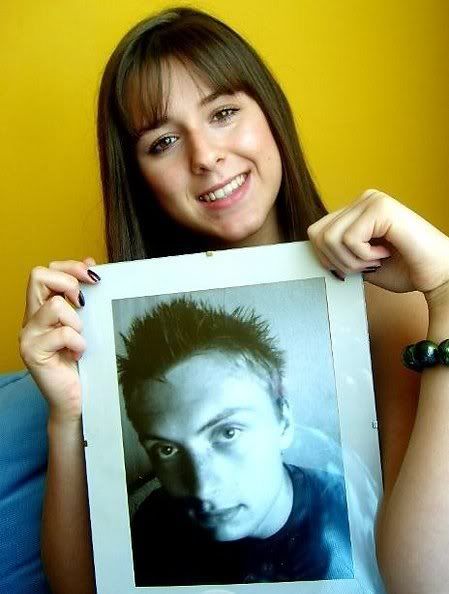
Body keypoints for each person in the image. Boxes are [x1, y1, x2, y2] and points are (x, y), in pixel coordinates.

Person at [18, 6, 449, 594]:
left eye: (223, 113)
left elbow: (426, 579)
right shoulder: (106, 339)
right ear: (138, 176)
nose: (204, 156)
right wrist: (68, 416)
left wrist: (446, 292)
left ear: (269, 114)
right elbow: (82, 588)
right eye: (163, 141)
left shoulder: (385, 302)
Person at [118, 297, 353, 585]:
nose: (202, 489)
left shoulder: (352, 515)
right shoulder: (153, 523)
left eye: (228, 433)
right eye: (166, 449)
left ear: (283, 421)